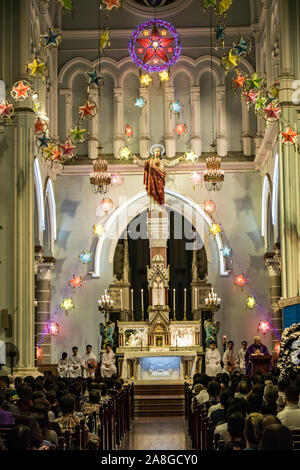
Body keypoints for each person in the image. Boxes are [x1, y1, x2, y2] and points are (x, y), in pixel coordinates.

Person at [134, 144, 183, 211]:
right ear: (153, 152)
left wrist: (178, 160)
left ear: (160, 153)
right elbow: (142, 163)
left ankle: (160, 208)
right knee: (152, 194)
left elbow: (171, 163)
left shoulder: (163, 161)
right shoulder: (149, 161)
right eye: (156, 151)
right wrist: (136, 159)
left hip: (160, 181)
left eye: (158, 151)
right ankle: (153, 208)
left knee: (160, 193)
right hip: (152, 181)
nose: (157, 152)